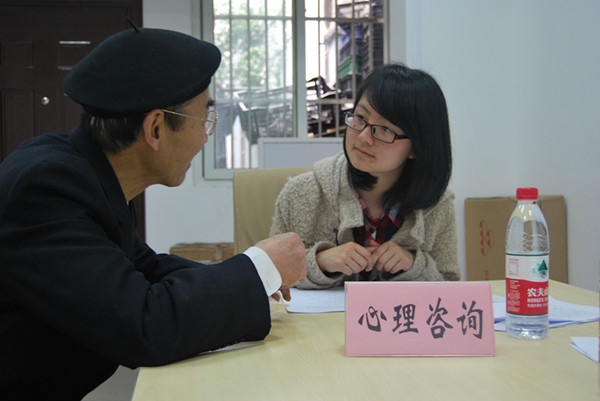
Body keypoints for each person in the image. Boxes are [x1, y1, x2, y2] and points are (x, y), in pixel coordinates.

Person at [0, 26, 306, 400]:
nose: (205, 137)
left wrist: (253, 281)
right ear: (156, 128)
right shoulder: (46, 189)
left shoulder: (89, 174)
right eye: (205, 120)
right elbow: (144, 325)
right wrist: (258, 269)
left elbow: (145, 268)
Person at [270, 64, 459, 289]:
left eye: (385, 129)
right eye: (360, 117)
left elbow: (451, 286)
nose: (363, 137)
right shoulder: (300, 194)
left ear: (418, 146)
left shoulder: (437, 204)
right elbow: (270, 278)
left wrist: (413, 265)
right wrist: (319, 262)